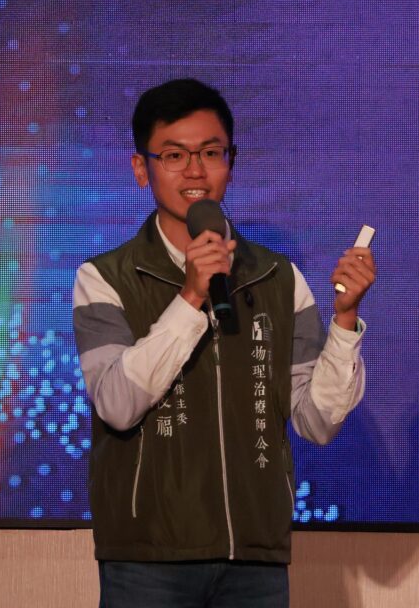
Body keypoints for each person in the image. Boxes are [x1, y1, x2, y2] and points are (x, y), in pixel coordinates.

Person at [73, 78, 376, 608]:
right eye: (174, 155)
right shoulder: (104, 278)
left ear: (231, 163)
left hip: (254, 556)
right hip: (148, 558)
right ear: (141, 168)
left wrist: (345, 320)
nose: (195, 170)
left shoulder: (279, 279)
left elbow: (317, 421)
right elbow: (117, 405)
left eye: (211, 153)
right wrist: (191, 296)